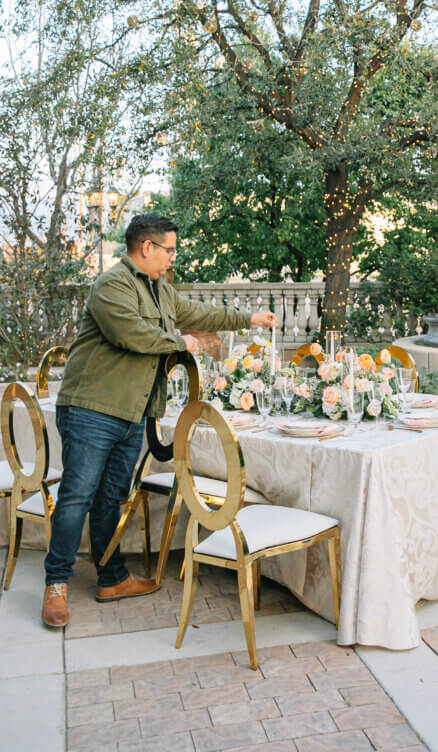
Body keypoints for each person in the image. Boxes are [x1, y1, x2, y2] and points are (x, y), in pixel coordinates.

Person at [42, 213, 277, 628]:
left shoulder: (161, 291)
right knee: (77, 496)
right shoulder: (111, 285)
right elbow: (130, 335)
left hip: (133, 411)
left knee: (110, 497)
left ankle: (111, 578)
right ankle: (56, 585)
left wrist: (250, 319)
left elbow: (201, 314)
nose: (173, 257)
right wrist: (182, 342)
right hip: (91, 409)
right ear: (147, 248)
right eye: (169, 249)